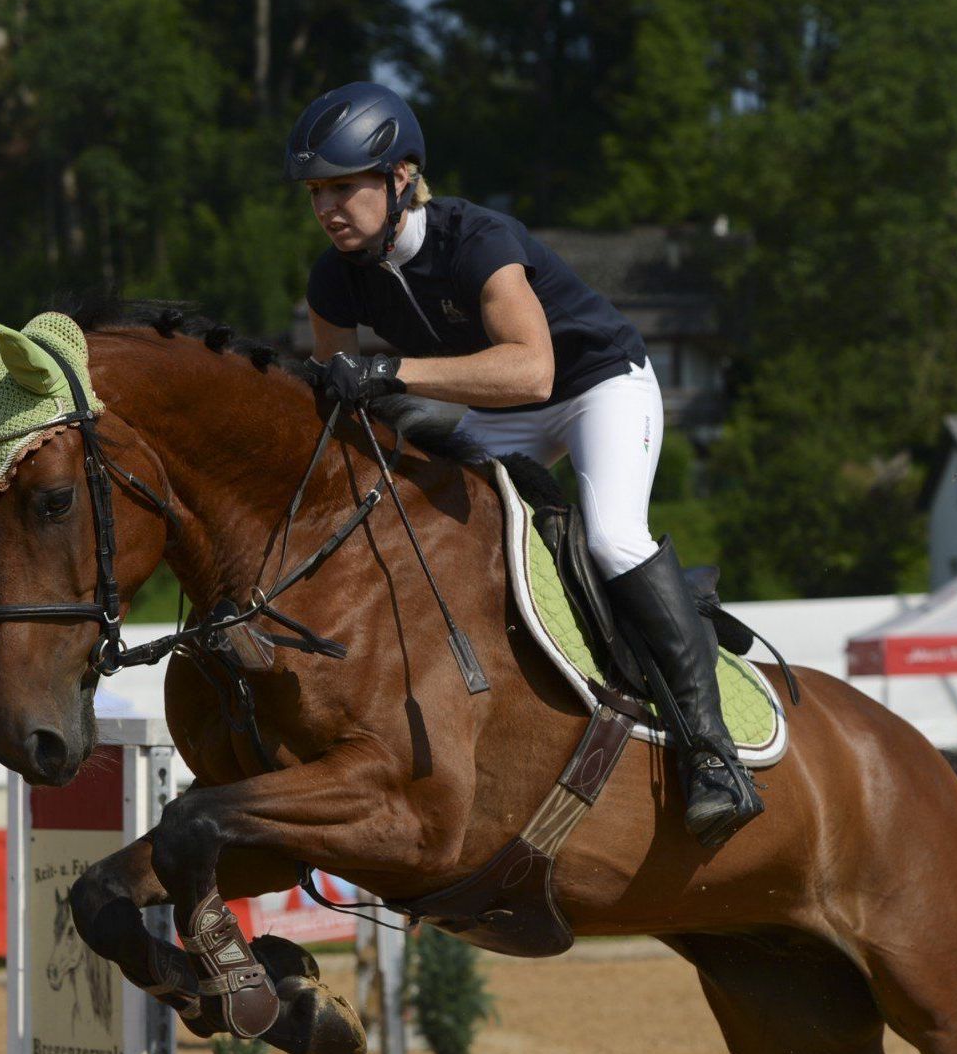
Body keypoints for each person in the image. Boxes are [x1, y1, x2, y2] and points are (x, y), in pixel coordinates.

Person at [285, 81, 760, 847]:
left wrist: (395, 374)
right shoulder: (333, 279)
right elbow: (340, 393)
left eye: (345, 186)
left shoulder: (476, 239)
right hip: (501, 411)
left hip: (597, 387)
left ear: (400, 179)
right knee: (447, 544)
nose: (328, 207)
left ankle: (713, 755)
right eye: (316, 193)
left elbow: (532, 372)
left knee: (610, 539)